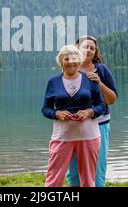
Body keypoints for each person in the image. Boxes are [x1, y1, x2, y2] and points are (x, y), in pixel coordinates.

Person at [42, 44, 107, 187]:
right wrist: (56, 113)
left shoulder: (90, 79)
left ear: (79, 60)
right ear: (61, 61)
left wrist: (90, 112)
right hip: (62, 137)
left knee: (88, 181)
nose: (71, 62)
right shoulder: (53, 82)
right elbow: (45, 109)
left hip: (89, 136)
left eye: (74, 58)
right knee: (54, 180)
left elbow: (102, 106)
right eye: (66, 59)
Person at [66, 36, 118, 187]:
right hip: (74, 126)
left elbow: (112, 100)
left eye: (92, 48)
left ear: (95, 53)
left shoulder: (101, 70)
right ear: (77, 49)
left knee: (97, 172)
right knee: (74, 172)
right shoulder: (69, 69)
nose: (88, 50)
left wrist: (99, 82)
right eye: (85, 46)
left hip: (99, 125)